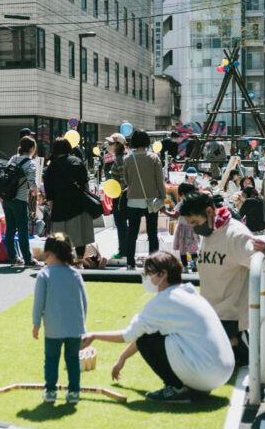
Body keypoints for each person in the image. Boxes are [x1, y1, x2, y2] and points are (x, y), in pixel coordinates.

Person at [80, 252, 234, 403]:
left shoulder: (163, 301)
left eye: (149, 273)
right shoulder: (189, 291)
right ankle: (193, 386)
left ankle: (175, 388)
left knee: (146, 339)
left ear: (163, 274)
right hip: (223, 371)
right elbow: (144, 332)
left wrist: (93, 335)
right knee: (152, 336)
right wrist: (122, 358)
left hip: (206, 373)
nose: (146, 277)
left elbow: (130, 335)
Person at [179, 191, 265, 366]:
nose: (195, 228)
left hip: (230, 316)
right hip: (210, 311)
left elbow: (260, 264)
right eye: (191, 224)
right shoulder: (208, 232)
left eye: (195, 222)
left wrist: (263, 253)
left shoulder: (235, 234)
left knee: (197, 356)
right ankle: (234, 346)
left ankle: (237, 343)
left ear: (210, 211)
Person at [32, 234, 88, 404]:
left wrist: (36, 324)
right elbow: (84, 301)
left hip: (53, 327)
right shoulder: (75, 274)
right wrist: (82, 324)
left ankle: (50, 391)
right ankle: (73, 392)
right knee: (72, 360)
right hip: (74, 328)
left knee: (51, 359)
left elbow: (38, 303)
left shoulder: (45, 274)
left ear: (47, 253)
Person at [43, 138, 94, 258]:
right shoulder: (77, 161)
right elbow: (85, 184)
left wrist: (51, 207)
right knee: (80, 235)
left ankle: (64, 260)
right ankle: (80, 259)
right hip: (79, 203)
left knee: (61, 236)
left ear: (54, 149)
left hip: (60, 206)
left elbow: (49, 191)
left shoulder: (52, 167)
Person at [123, 130, 166, 269]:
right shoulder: (154, 158)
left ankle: (130, 263)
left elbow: (126, 180)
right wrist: (163, 197)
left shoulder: (128, 159)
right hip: (151, 200)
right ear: (147, 141)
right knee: (152, 233)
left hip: (133, 199)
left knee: (132, 233)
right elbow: (160, 180)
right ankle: (154, 263)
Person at [1, 136, 39, 268]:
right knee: (22, 230)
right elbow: (32, 184)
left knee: (10, 229)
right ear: (32, 148)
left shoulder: (13, 158)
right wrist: (36, 190)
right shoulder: (30, 163)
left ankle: (12, 257)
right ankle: (28, 259)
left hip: (7, 199)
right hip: (20, 200)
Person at [104, 133, 130, 263]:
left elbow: (123, 180)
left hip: (120, 197)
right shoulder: (125, 158)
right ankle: (125, 250)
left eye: (111, 143)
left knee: (121, 225)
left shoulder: (120, 160)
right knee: (124, 225)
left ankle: (123, 251)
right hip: (124, 195)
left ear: (118, 145)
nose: (108, 146)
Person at [166, 182, 199, 271]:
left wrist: (164, 212)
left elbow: (175, 215)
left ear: (182, 193)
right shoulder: (195, 204)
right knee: (193, 249)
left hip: (182, 229)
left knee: (182, 249)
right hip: (192, 229)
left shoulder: (181, 204)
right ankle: (196, 261)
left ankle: (185, 267)